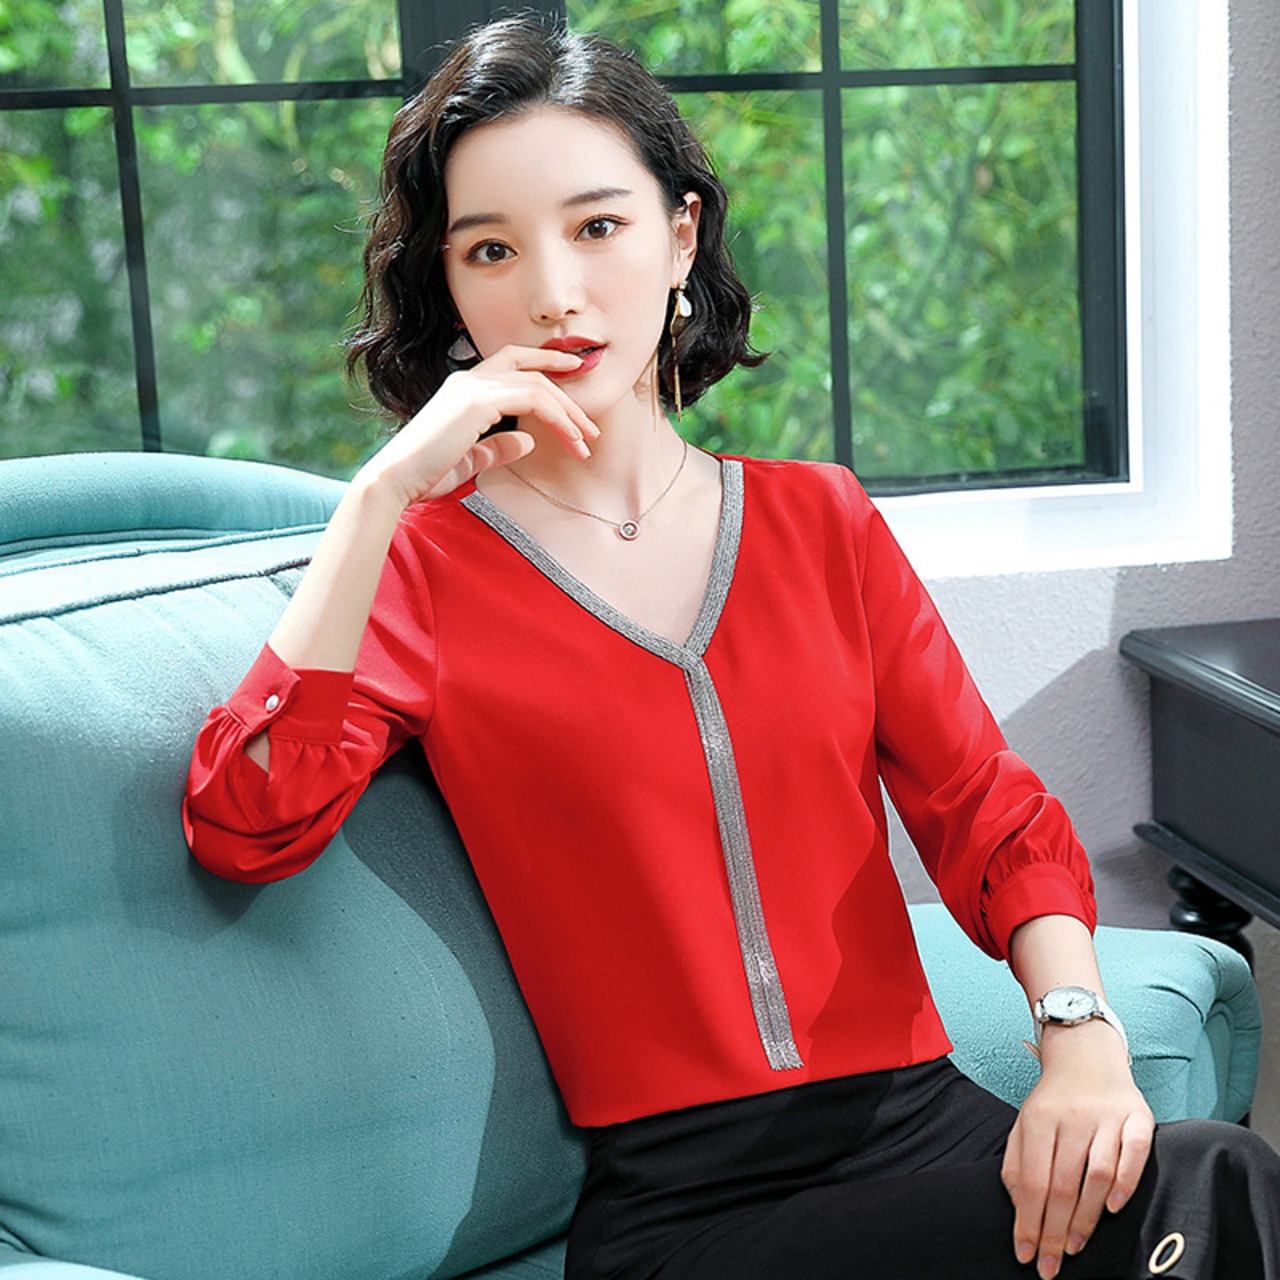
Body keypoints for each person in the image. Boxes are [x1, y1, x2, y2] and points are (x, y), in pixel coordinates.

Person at [183, 16, 1280, 1280]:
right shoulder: (421, 569)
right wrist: (375, 498)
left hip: (928, 1131)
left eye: (597, 226)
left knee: (1215, 1179)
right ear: (453, 291)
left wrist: (1078, 1034)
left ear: (679, 236)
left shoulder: (819, 522)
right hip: (689, 1208)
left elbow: (983, 807)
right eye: (491, 249)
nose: (551, 291)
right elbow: (245, 820)